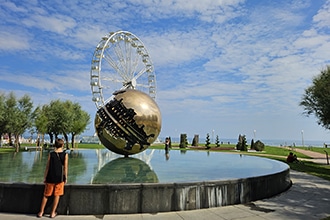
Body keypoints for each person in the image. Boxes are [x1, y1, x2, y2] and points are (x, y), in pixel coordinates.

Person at [37, 138, 68, 218]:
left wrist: (45, 177)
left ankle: (41, 212)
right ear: (62, 145)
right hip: (59, 178)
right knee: (57, 195)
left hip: (50, 176)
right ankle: (52, 213)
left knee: (46, 195)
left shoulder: (51, 154)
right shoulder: (65, 154)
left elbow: (47, 166)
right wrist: (65, 177)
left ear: (55, 145)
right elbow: (65, 167)